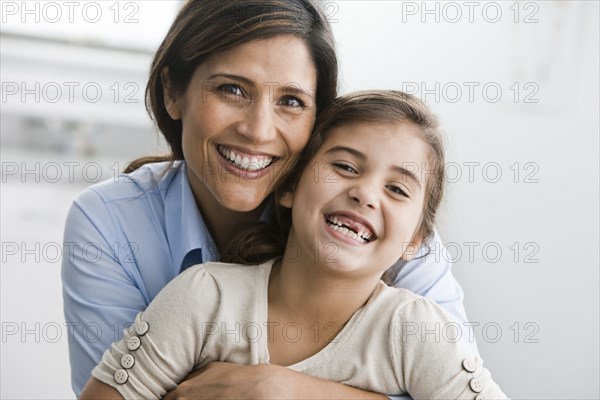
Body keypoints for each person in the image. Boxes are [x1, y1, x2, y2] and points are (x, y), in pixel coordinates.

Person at [62, 1, 476, 398]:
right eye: (232, 90)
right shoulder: (112, 226)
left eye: (292, 101)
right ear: (173, 91)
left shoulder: (387, 236)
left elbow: (448, 382)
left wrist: (283, 391)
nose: (259, 130)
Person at [80, 90, 506, 399]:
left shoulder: (417, 332)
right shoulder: (204, 296)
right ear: (289, 187)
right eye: (344, 166)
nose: (366, 193)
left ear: (415, 240)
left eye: (397, 189)